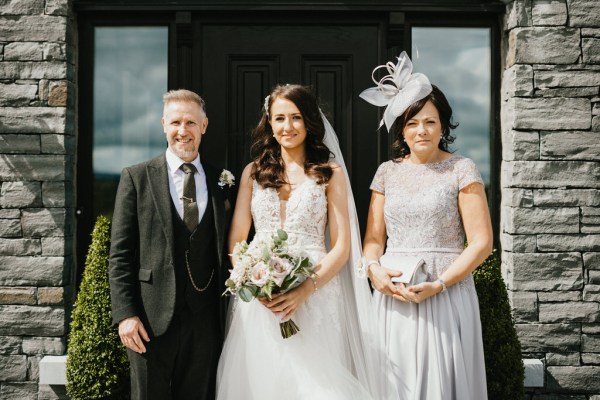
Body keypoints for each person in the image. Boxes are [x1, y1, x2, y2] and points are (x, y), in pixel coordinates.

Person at [216, 84, 385, 400]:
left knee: (317, 386)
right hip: (261, 303)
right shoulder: (253, 172)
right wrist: (255, 286)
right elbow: (238, 239)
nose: (287, 126)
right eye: (279, 118)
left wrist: (305, 289)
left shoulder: (329, 173)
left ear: (309, 121)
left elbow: (343, 246)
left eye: (296, 117)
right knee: (264, 382)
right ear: (270, 123)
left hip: (316, 294)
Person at [361, 52, 492, 399]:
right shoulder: (386, 173)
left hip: (444, 293)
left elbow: (481, 243)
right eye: (413, 123)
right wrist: (374, 270)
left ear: (443, 126)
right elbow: (373, 239)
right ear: (402, 129)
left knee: (441, 380)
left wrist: (441, 284)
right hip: (394, 294)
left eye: (430, 122)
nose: (421, 130)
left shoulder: (461, 169)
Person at [109, 89, 234, 399]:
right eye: (176, 122)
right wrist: (125, 315)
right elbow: (120, 255)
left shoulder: (224, 181)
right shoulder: (136, 178)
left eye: (191, 122)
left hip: (206, 322)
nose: (183, 131)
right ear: (164, 124)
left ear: (204, 125)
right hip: (149, 321)